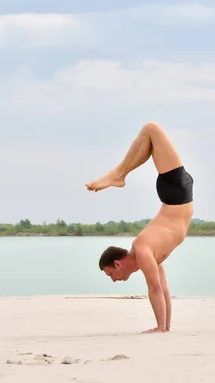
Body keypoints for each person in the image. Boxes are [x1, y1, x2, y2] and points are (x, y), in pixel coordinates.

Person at [85, 121, 194, 334]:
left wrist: (159, 328)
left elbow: (153, 289)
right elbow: (163, 288)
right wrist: (166, 328)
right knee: (149, 137)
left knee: (151, 129)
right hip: (178, 193)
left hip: (176, 193)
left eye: (110, 275)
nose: (114, 280)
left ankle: (117, 175)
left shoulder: (143, 250)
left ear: (117, 264)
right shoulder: (148, 254)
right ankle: (118, 175)